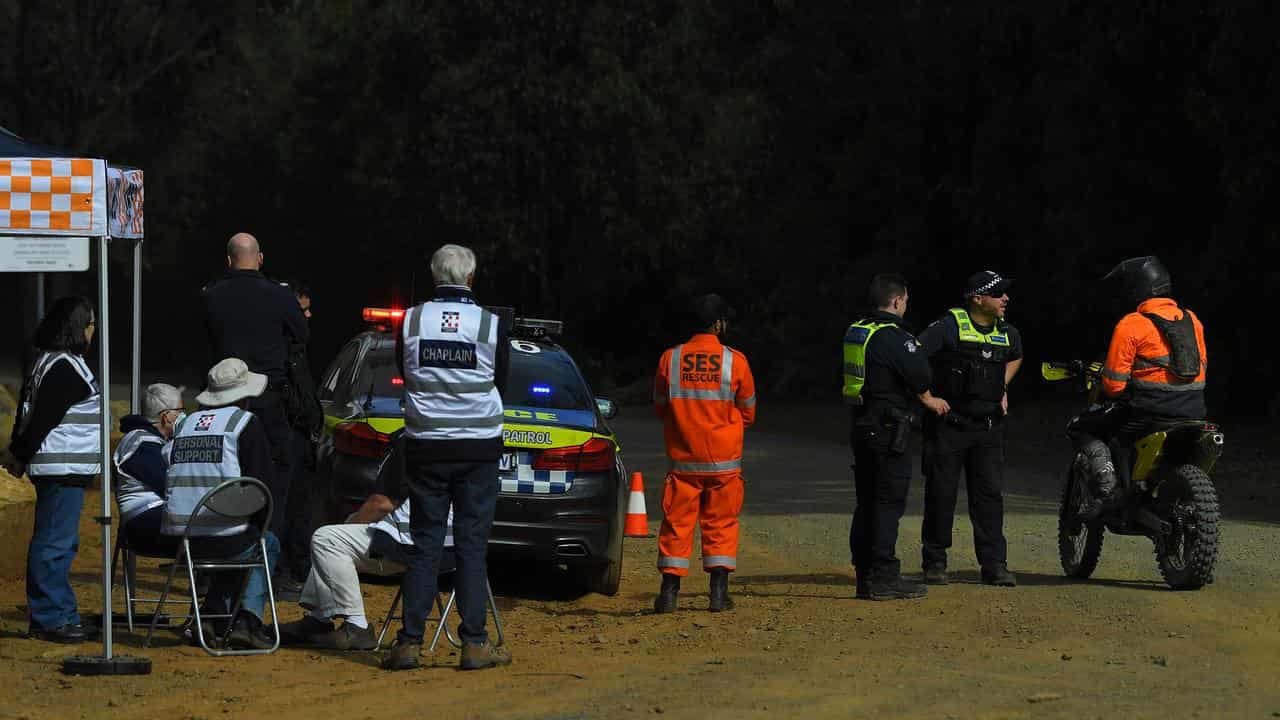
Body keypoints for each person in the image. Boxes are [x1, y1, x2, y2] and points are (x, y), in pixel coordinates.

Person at [382, 243, 511, 671]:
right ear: (471, 279)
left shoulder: (413, 320)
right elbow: (501, 379)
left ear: (435, 276)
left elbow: (404, 368)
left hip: (426, 444)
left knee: (425, 543)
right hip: (478, 447)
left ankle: (409, 643)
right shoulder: (490, 324)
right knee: (472, 545)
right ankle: (474, 643)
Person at [276, 431, 454, 651]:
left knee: (327, 539)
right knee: (335, 537)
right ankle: (319, 619)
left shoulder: (411, 440)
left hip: (412, 546)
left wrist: (351, 522)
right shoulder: (461, 440)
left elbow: (382, 503)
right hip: (449, 547)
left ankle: (356, 626)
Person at [1069, 256, 1207, 516]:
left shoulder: (1132, 324)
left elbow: (1113, 385)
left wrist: (1124, 390)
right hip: (1193, 409)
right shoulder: (1192, 320)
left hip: (1148, 411)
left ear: (1136, 289)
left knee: (1082, 428)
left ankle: (1109, 492)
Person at [164, 357, 282, 650]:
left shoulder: (185, 424)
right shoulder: (244, 424)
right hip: (225, 537)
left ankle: (211, 613)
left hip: (184, 539)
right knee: (263, 541)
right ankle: (247, 619)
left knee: (239, 540)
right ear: (245, 397)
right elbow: (262, 489)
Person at [202, 232, 308, 556]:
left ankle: (221, 554)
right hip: (270, 399)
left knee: (225, 475)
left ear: (228, 260)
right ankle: (266, 558)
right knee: (274, 479)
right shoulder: (280, 296)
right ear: (260, 259)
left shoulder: (211, 296)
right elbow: (301, 336)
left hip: (223, 400)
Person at [841, 274, 945, 601]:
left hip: (862, 424)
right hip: (889, 428)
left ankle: (864, 573)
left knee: (867, 501)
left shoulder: (857, 331)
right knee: (887, 503)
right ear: (897, 301)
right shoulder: (894, 337)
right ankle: (884, 576)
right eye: (905, 302)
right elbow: (921, 374)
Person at [651, 293, 756, 614]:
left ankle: (669, 594)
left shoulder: (670, 358)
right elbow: (748, 411)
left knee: (676, 523)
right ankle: (718, 594)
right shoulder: (735, 360)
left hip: (683, 462)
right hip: (724, 463)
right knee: (721, 523)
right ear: (718, 324)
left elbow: (660, 406)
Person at [916, 271, 1022, 587]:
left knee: (989, 497)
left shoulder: (1007, 332)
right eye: (999, 293)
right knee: (941, 494)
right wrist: (926, 396)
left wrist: (1001, 386)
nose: (1006, 298)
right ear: (978, 298)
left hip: (988, 428)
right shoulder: (948, 327)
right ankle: (934, 563)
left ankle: (994, 565)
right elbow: (912, 355)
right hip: (949, 427)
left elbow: (1016, 356)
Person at [5, 297, 101, 643]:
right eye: (91, 325)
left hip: (61, 466)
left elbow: (28, 414)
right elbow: (42, 418)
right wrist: (20, 453)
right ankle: (51, 618)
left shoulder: (51, 362)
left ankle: (58, 613)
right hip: (62, 466)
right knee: (54, 545)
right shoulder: (64, 367)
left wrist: (19, 452)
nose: (94, 332)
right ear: (78, 328)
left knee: (58, 542)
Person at [278, 280, 324, 593]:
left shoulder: (297, 348)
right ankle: (285, 572)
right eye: (302, 310)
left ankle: (296, 569)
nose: (307, 316)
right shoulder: (280, 351)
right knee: (287, 507)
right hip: (288, 436)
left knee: (301, 506)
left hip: (301, 435)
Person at [113, 383, 185, 557]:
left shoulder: (145, 440)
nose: (183, 416)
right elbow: (171, 487)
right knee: (216, 533)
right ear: (166, 416)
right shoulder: (144, 444)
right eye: (180, 411)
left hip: (151, 519)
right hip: (146, 523)